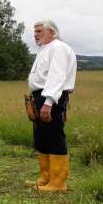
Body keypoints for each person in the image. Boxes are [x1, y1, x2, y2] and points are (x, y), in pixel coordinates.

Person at [27, 20, 76, 192]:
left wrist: (48, 102)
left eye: (39, 31)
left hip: (51, 96)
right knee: (42, 138)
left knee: (54, 137)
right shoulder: (44, 49)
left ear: (52, 32)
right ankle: (45, 178)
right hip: (40, 95)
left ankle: (58, 182)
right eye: (35, 31)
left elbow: (57, 76)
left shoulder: (58, 47)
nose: (35, 34)